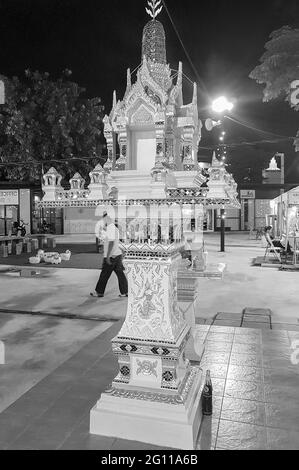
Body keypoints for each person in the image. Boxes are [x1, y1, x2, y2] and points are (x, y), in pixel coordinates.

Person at [90, 212, 128, 298]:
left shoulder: (111, 229)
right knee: (120, 274)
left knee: (104, 274)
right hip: (117, 255)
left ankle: (99, 292)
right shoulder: (114, 228)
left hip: (111, 256)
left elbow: (111, 243)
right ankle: (125, 291)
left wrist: (107, 256)